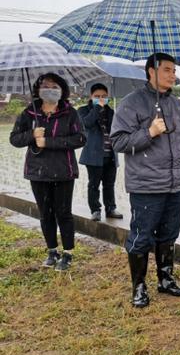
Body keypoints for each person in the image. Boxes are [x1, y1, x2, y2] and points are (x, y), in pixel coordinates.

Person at [110, 53, 180, 308]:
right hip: (146, 185)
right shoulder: (131, 103)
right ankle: (139, 286)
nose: (172, 74)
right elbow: (119, 141)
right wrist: (150, 132)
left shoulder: (176, 105)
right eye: (166, 69)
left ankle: (165, 279)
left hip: (175, 183)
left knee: (169, 234)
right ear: (150, 71)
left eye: (174, 70)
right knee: (142, 236)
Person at [9, 73, 86, 271]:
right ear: (37, 89)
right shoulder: (29, 113)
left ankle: (68, 252)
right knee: (45, 213)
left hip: (64, 171)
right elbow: (14, 139)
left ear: (62, 90)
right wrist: (31, 135)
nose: (50, 88)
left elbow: (80, 138)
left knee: (63, 213)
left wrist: (49, 142)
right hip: (38, 171)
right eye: (45, 85)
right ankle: (52, 250)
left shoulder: (70, 113)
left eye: (54, 85)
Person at [78, 83, 123, 222]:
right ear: (91, 97)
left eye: (104, 96)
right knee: (94, 184)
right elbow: (87, 124)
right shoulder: (83, 110)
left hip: (110, 154)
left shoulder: (111, 112)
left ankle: (110, 208)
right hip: (93, 155)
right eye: (97, 96)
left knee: (109, 184)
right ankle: (95, 210)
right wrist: (97, 107)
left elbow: (115, 130)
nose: (101, 99)